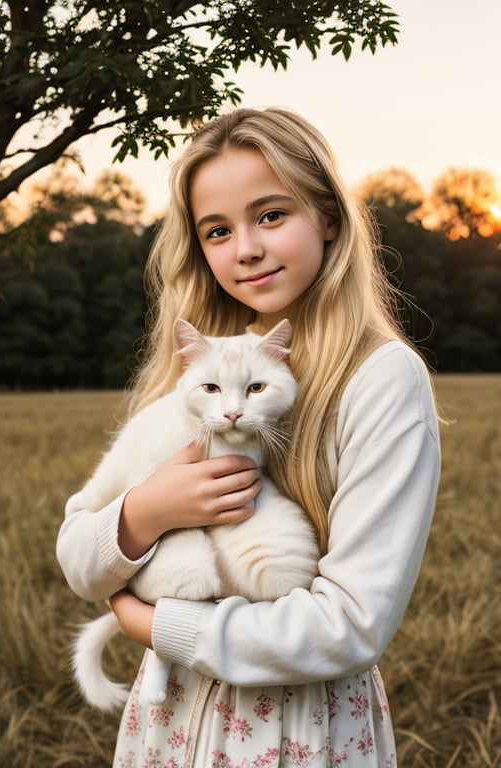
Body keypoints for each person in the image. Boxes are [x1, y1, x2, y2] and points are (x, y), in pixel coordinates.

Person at [56, 107, 441, 767]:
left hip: (297, 731)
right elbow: (77, 556)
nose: (246, 249)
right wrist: (145, 512)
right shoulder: (204, 376)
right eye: (216, 230)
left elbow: (351, 626)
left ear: (328, 216)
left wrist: (152, 623)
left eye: (270, 215)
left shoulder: (380, 380)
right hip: (171, 721)